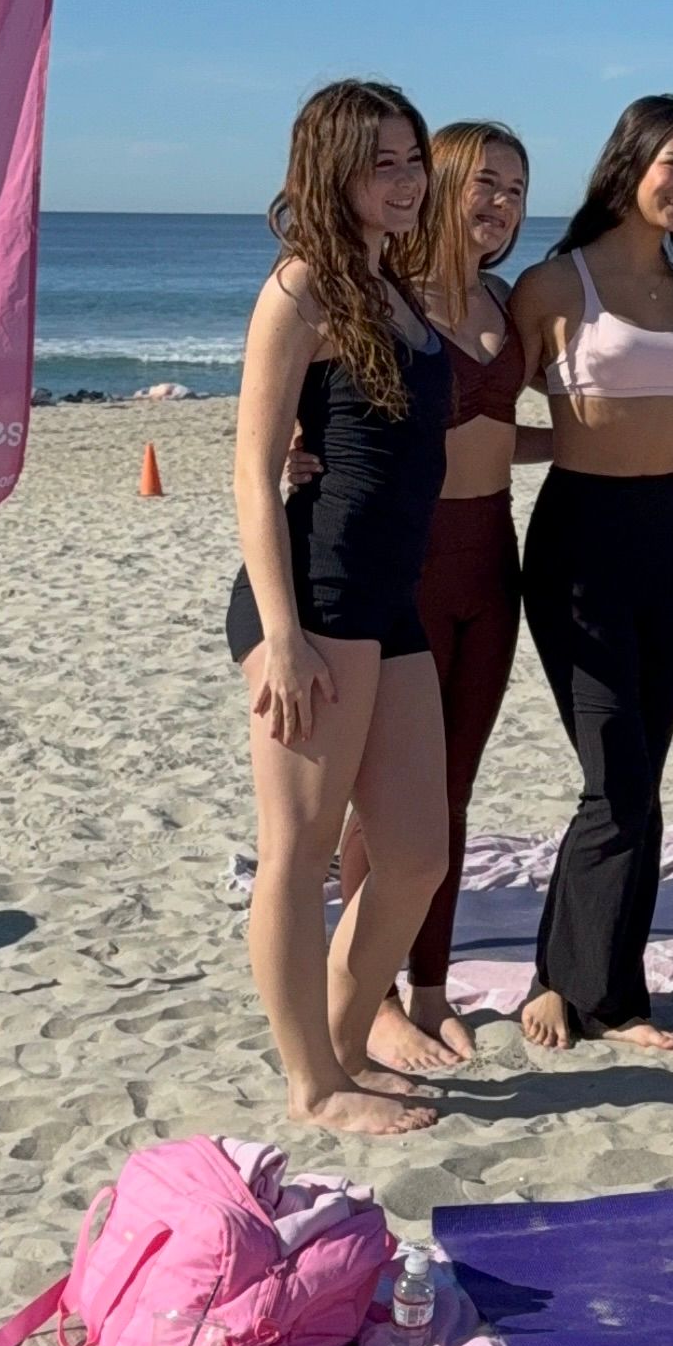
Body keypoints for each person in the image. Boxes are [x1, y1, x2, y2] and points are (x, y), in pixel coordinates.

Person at [225, 79, 447, 1136]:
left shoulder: (391, 281)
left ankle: (346, 1042)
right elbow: (252, 471)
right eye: (383, 163)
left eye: (413, 160)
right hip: (314, 600)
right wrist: (280, 633)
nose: (405, 181)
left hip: (386, 596)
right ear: (332, 169)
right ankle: (312, 1082)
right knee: (301, 848)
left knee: (413, 852)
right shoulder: (302, 285)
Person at [320, 121, 551, 1069]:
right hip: (407, 564)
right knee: (384, 801)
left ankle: (429, 983)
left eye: (517, 189)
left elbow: (500, 433)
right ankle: (363, 989)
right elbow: (325, 422)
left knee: (452, 786)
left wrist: (624, 448)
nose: (499, 203)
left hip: (492, 560)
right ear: (441, 182)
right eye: (483, 183)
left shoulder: (505, 300)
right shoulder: (386, 303)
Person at [511, 96, 673, 1052]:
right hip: (579, 537)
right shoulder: (555, 283)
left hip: (668, 534)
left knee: (638, 779)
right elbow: (476, 398)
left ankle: (584, 980)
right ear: (630, 162)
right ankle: (587, 993)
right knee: (617, 775)